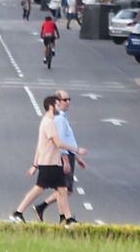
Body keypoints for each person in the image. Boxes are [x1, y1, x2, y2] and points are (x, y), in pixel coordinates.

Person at [11, 96, 87, 226]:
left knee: (62, 190)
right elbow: (58, 143)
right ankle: (18, 213)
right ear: (51, 106)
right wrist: (77, 150)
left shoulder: (49, 121)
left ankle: (68, 219)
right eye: (57, 105)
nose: (59, 108)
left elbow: (41, 144)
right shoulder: (48, 122)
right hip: (49, 163)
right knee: (39, 189)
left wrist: (35, 164)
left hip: (53, 162)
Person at [32, 90, 87, 222]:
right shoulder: (59, 119)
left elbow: (67, 140)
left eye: (69, 99)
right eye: (65, 100)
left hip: (69, 155)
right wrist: (66, 160)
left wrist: (77, 158)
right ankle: (51, 211)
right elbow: (60, 142)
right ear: (56, 102)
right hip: (63, 157)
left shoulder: (61, 118)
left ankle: (61, 216)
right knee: (64, 189)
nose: (68, 102)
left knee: (64, 189)